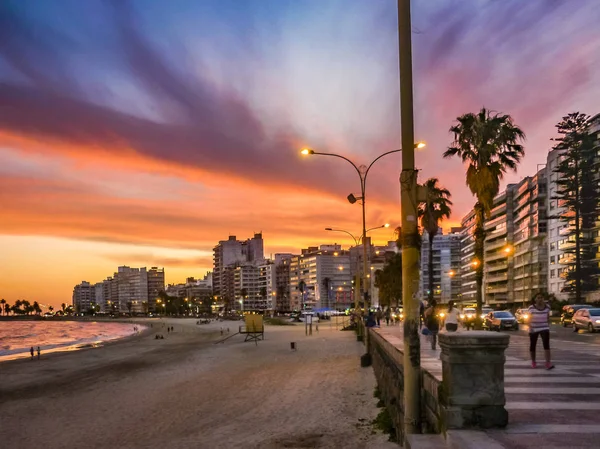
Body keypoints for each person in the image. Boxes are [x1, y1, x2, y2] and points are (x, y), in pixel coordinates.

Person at [528, 292, 554, 370]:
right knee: (533, 345)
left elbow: (548, 317)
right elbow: (529, 318)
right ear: (535, 299)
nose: (540, 299)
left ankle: (548, 363)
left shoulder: (547, 307)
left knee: (546, 345)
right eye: (538, 298)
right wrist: (530, 327)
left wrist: (547, 325)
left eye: (541, 298)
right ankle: (533, 361)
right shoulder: (531, 308)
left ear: (543, 299)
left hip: (544, 328)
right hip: (534, 328)